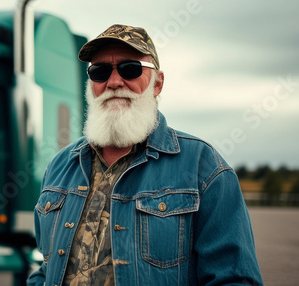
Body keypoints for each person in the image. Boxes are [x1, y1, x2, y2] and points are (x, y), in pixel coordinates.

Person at [27, 24, 263, 286]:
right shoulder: (60, 166)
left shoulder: (204, 167)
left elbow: (234, 279)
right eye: (100, 71)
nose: (114, 82)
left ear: (157, 83)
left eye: (130, 69)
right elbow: (47, 269)